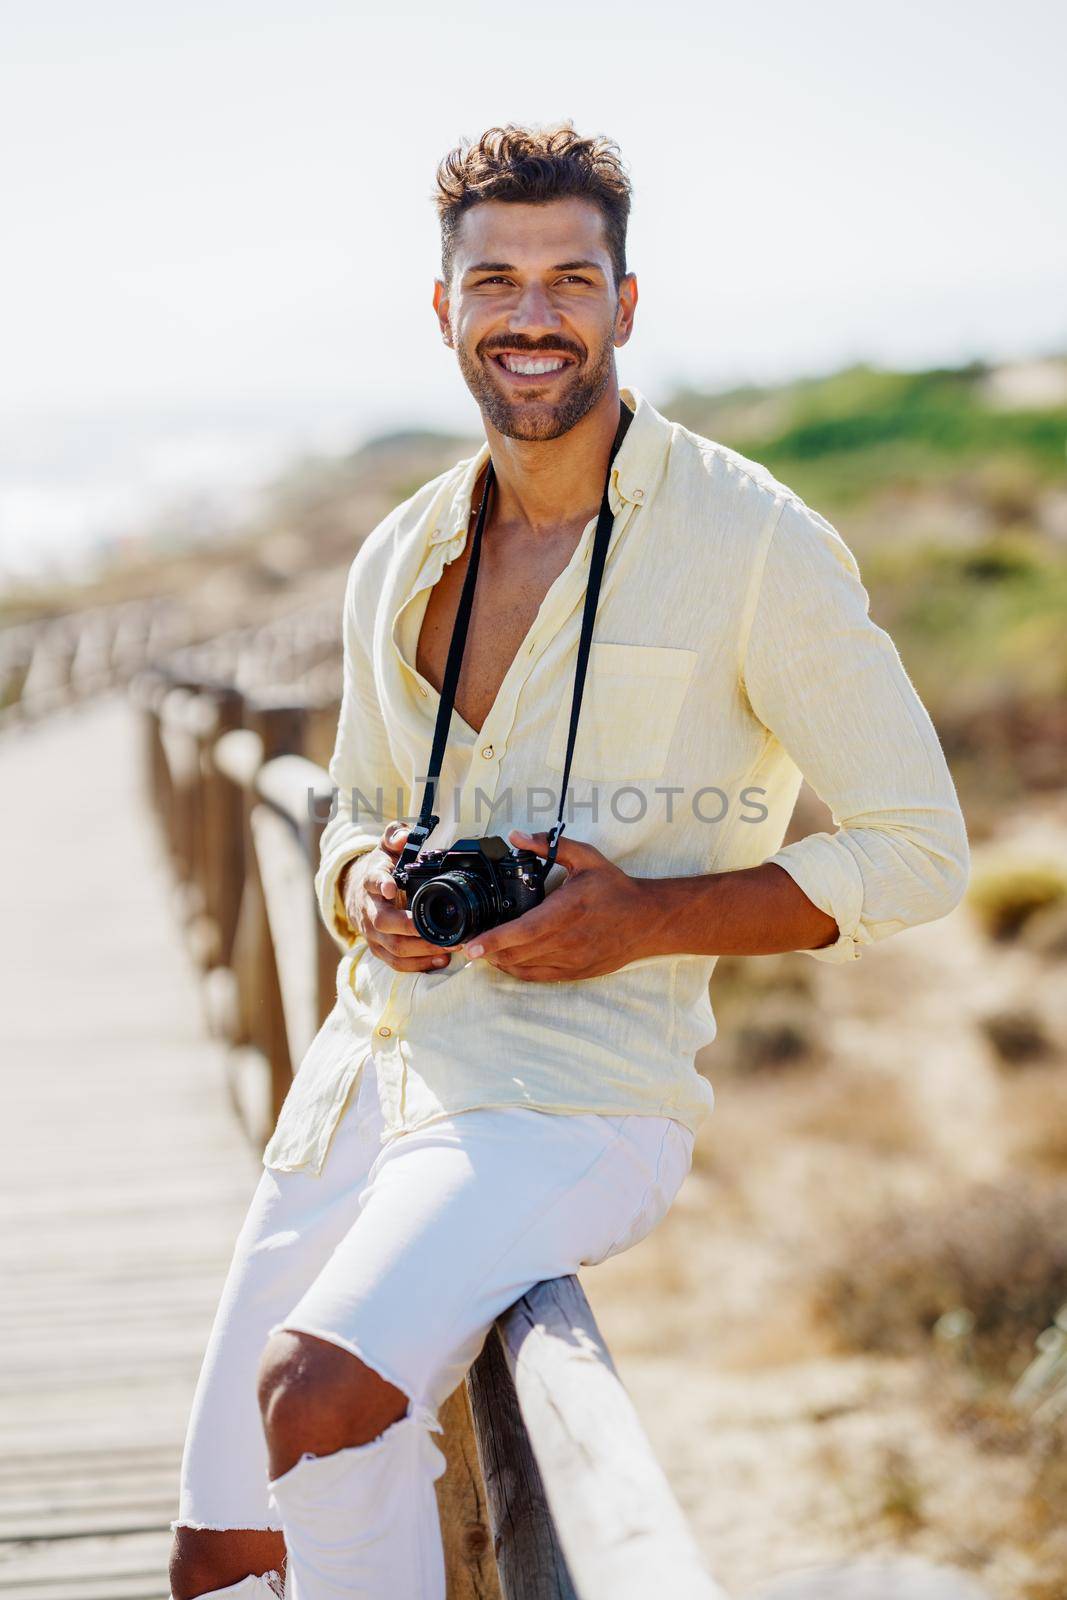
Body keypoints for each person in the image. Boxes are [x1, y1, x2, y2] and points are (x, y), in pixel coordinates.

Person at [168, 123, 970, 1600]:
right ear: (445, 307)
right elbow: (351, 796)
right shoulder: (401, 551)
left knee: (323, 1406)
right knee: (221, 1552)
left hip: (572, 1094)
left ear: (625, 301)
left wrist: (644, 917)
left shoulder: (754, 544)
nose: (532, 315)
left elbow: (921, 853)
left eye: (570, 279)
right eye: (497, 282)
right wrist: (361, 885)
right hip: (371, 1073)